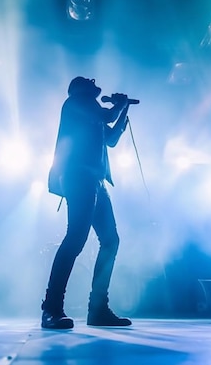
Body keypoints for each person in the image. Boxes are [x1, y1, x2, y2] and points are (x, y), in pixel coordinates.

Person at [41, 76, 132, 329]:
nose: (95, 81)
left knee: (110, 240)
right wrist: (120, 105)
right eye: (89, 81)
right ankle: (51, 308)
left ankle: (98, 309)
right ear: (80, 87)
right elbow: (107, 117)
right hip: (78, 176)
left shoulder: (92, 112)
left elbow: (111, 138)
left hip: (95, 180)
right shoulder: (76, 103)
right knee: (76, 238)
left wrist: (123, 111)